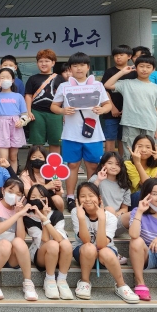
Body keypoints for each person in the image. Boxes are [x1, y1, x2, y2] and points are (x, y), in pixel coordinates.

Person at [51, 52, 111, 212]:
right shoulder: (65, 86)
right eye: (75, 65)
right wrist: (63, 110)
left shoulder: (97, 85)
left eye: (82, 65)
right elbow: (53, 106)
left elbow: (108, 105)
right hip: (71, 133)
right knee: (72, 165)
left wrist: (102, 109)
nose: (79, 68)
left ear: (88, 67)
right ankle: (70, 197)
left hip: (94, 134)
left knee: (93, 165)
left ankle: (91, 196)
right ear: (70, 69)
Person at [71, 182, 138, 303]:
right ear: (78, 199)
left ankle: (121, 286)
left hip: (105, 252)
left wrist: (102, 219)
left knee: (106, 252)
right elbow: (86, 241)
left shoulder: (110, 217)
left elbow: (101, 245)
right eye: (82, 196)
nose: (87, 199)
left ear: (99, 198)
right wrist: (81, 218)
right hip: (83, 252)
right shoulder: (76, 213)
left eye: (91, 195)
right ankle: (84, 282)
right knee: (89, 247)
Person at [0, 179, 37, 301]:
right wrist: (18, 215)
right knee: (5, 244)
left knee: (18, 242)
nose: (14, 196)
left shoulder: (17, 210)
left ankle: (28, 283)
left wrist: (18, 214)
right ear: (3, 190)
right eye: (10, 191)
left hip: (11, 255)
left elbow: (21, 238)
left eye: (18, 194)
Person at [103, 54, 157, 158]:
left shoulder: (156, 88)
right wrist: (122, 72)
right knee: (129, 153)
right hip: (130, 123)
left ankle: (146, 174)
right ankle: (129, 174)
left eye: (148, 67)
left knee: (148, 154)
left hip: (149, 124)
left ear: (153, 69)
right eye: (141, 66)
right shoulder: (127, 83)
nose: (144, 69)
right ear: (135, 68)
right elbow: (107, 85)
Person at [23, 184, 73, 300]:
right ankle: (49, 280)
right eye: (33, 197)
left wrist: (45, 218)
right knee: (52, 244)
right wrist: (43, 217)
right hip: (40, 253)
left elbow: (60, 238)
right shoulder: (28, 217)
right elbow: (44, 240)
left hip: (59, 253)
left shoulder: (57, 214)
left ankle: (62, 280)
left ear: (47, 198)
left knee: (65, 244)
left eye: (41, 196)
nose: (37, 200)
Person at [0, 67, 29, 172]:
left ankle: (13, 179)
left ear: (13, 80)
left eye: (7, 77)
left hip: (16, 125)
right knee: (3, 158)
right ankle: (3, 180)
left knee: (13, 157)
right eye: (2, 77)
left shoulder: (18, 96)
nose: (5, 80)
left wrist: (22, 122)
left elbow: (25, 114)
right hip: (2, 125)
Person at [24, 48, 65, 153]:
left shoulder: (60, 78)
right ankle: (37, 164)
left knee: (56, 142)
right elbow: (28, 95)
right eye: (40, 61)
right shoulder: (32, 79)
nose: (43, 63)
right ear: (37, 63)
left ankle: (54, 166)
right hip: (37, 113)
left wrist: (64, 113)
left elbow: (65, 97)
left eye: (47, 61)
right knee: (37, 143)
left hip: (56, 114)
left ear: (53, 63)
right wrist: (28, 111)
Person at [101, 45, 137, 156]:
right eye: (116, 55)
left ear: (129, 56)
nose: (118, 57)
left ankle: (122, 164)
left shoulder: (134, 72)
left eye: (121, 55)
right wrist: (112, 108)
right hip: (111, 112)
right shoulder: (110, 71)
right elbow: (104, 90)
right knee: (110, 138)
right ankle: (108, 162)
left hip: (128, 112)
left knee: (123, 139)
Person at [89, 152, 131, 243]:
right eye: (110, 163)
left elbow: (125, 208)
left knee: (133, 215)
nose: (113, 166)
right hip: (96, 219)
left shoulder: (124, 185)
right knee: (109, 209)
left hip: (114, 220)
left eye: (117, 164)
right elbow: (88, 195)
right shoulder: (96, 179)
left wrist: (116, 215)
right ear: (103, 165)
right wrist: (99, 180)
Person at [19, 146, 65, 212]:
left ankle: (59, 219)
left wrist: (58, 189)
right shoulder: (25, 174)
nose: (37, 159)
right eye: (34, 157)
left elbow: (59, 195)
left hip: (48, 200)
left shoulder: (53, 172)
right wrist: (46, 187)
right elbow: (27, 194)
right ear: (29, 159)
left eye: (40, 157)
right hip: (33, 201)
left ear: (45, 159)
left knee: (57, 199)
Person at [125, 135, 157, 209]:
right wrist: (137, 163)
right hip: (133, 200)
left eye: (148, 147)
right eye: (140, 146)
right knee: (141, 194)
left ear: (153, 149)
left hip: (151, 200)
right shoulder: (128, 164)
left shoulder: (155, 166)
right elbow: (147, 186)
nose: (144, 150)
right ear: (134, 147)